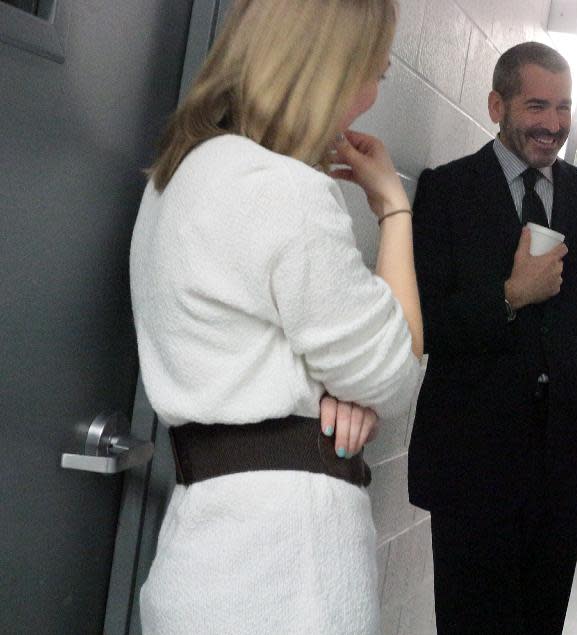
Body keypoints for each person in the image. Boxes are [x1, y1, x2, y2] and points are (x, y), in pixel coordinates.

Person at [129, 1, 422, 633]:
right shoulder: (285, 192)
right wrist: (393, 209)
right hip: (286, 571)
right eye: (376, 69)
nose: (376, 85)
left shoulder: (175, 177)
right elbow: (395, 373)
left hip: (205, 547)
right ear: (331, 71)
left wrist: (343, 384)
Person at [408, 41, 577, 634]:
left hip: (561, 468)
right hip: (470, 461)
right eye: (537, 106)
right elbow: (424, 323)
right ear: (497, 104)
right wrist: (511, 297)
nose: (553, 124)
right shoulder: (447, 193)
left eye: (563, 107)